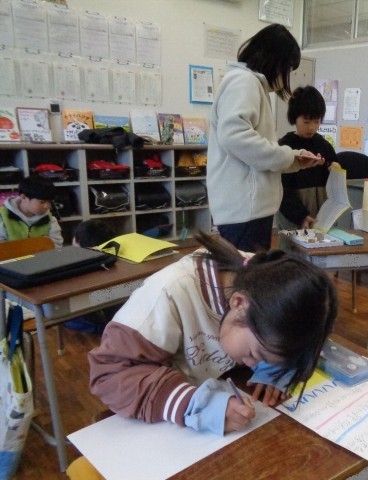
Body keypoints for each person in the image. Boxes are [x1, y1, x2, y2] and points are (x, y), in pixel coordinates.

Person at [88, 232, 337, 436]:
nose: (252, 364)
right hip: (162, 423)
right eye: (254, 354)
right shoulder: (170, 293)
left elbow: (301, 334)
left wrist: (272, 368)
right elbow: (109, 376)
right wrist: (198, 405)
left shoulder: (267, 285)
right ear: (239, 304)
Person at [207, 24, 325, 253]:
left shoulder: (251, 84)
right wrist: (288, 156)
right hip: (245, 211)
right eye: (288, 68)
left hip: (249, 210)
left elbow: (252, 143)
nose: (286, 77)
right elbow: (235, 137)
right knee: (246, 272)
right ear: (274, 60)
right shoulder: (244, 82)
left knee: (250, 271)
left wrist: (293, 159)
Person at [278, 86, 338, 230]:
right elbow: (281, 190)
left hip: (320, 218)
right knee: (291, 244)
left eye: (316, 121)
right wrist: (300, 216)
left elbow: (335, 177)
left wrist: (337, 169)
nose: (312, 127)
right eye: (306, 122)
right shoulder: (285, 147)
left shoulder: (324, 146)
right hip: (292, 218)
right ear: (294, 118)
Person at [66, 220, 118, 334]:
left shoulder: (74, 266)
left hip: (89, 311)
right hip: (114, 307)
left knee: (68, 319)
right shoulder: (113, 259)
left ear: (76, 241)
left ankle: (102, 328)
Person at [0, 176, 63, 248]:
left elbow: (56, 246)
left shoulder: (50, 219)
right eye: (42, 202)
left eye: (49, 201)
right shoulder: (2, 217)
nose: (47, 206)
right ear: (23, 197)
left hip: (43, 255)